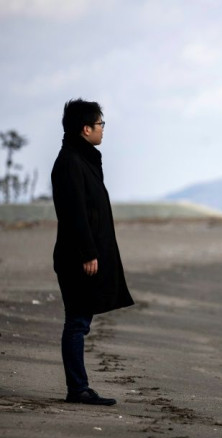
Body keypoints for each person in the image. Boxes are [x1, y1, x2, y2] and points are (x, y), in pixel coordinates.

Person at [51, 99, 134, 406]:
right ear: (85, 129)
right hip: (77, 258)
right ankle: (77, 388)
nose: (102, 131)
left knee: (78, 321)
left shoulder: (82, 159)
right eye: (100, 125)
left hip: (82, 255)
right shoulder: (71, 162)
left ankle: (79, 386)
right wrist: (87, 253)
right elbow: (74, 214)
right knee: (76, 322)